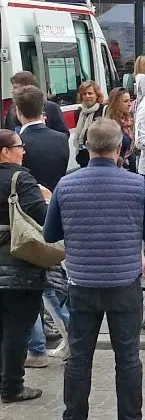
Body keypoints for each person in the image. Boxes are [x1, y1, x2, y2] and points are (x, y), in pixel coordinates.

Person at [43, 118, 145, 419]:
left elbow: (50, 234)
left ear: (87, 146)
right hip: (124, 282)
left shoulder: (66, 184)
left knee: (79, 358)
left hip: (82, 282)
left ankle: (74, 415)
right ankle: (131, 416)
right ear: (120, 146)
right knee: (128, 357)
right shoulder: (137, 184)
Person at [0, 129, 49, 403]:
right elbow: (42, 216)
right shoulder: (20, 178)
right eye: (19, 147)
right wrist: (46, 197)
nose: (24, 151)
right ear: (5, 152)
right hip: (18, 264)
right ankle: (12, 386)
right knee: (18, 327)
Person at [15, 85, 69, 192]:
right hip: (57, 198)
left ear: (17, 110)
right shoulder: (62, 138)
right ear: (42, 109)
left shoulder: (17, 143)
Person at [3, 72, 69, 136]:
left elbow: (64, 134)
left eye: (15, 88)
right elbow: (7, 133)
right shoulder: (12, 108)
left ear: (27, 88)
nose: (12, 91)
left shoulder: (51, 107)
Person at [73, 81, 106, 168]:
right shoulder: (79, 112)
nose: (87, 96)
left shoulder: (103, 110)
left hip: (99, 155)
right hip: (83, 156)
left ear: (97, 95)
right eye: (84, 94)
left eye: (90, 93)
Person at [105, 88, 137, 172]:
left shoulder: (129, 120)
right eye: (125, 101)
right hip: (117, 168)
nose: (130, 104)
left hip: (131, 165)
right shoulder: (109, 125)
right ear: (116, 103)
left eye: (130, 100)